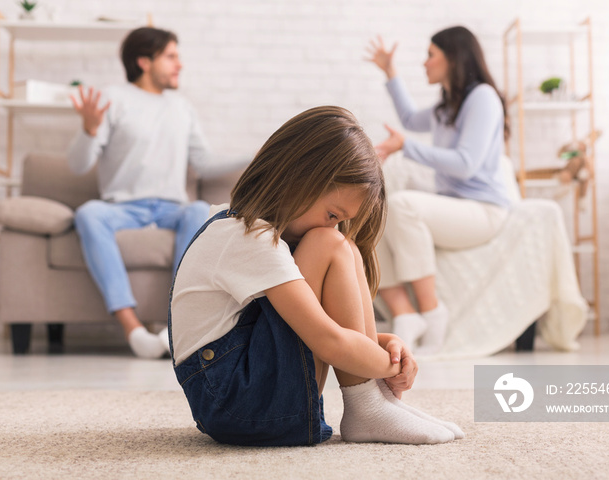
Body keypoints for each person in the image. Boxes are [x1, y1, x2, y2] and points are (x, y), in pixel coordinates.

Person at [168, 106, 464, 446]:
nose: (333, 225)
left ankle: (376, 403)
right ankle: (367, 404)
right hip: (234, 401)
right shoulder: (248, 237)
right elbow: (330, 341)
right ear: (299, 177)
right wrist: (388, 367)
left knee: (346, 247)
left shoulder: (248, 229)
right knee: (330, 245)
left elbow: (321, 321)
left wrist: (386, 344)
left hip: (235, 394)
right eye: (332, 213)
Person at [68, 27, 246, 359]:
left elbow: (204, 164)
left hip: (171, 208)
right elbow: (79, 166)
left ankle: (174, 325)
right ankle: (133, 329)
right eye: (171, 56)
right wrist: (89, 131)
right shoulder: (112, 99)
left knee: (198, 210)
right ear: (144, 61)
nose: (180, 64)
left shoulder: (182, 108)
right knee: (88, 213)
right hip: (122, 207)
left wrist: (258, 154)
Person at [366, 27, 512, 354]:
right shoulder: (447, 107)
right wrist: (389, 70)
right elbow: (408, 117)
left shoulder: (482, 98)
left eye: (431, 55)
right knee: (372, 211)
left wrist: (407, 147)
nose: (425, 63)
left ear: (454, 58)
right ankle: (405, 314)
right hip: (454, 205)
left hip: (484, 209)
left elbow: (465, 164)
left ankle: (432, 312)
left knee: (403, 205)